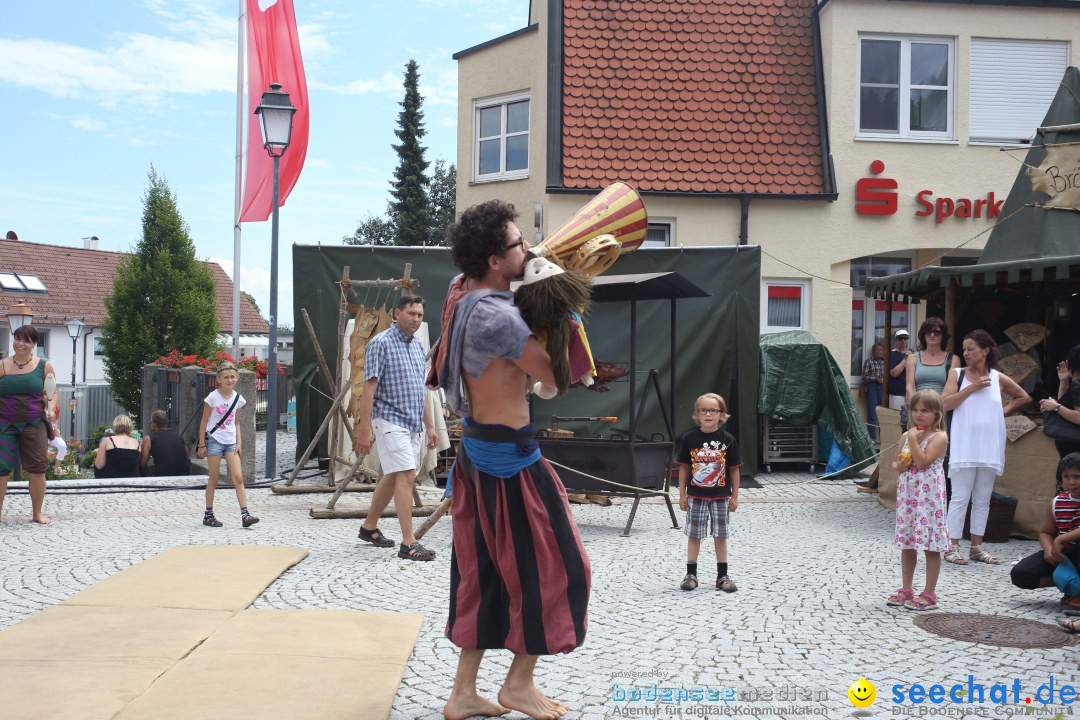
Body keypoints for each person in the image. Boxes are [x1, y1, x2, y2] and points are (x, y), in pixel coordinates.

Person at [439, 199, 590, 720]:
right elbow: (556, 374)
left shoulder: (462, 297)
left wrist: (537, 290)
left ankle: (462, 693)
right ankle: (518, 685)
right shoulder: (499, 315)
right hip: (510, 461)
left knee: (483, 575)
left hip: (477, 456)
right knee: (561, 569)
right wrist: (564, 302)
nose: (528, 249)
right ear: (494, 259)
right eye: (518, 243)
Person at [354, 295, 439, 561]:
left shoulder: (417, 347)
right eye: (411, 313)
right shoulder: (380, 343)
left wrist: (431, 426)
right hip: (389, 420)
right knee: (406, 474)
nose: (416, 319)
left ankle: (369, 528)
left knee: (392, 476)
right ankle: (409, 543)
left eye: (420, 315)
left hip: (412, 423)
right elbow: (368, 390)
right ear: (396, 313)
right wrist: (364, 430)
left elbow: (421, 389)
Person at [942, 329, 1031, 565]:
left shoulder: (997, 377)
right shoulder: (957, 374)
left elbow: (1023, 397)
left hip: (989, 444)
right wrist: (972, 387)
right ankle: (951, 547)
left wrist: (999, 414)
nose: (966, 353)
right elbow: (945, 403)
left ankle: (976, 548)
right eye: (964, 349)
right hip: (964, 444)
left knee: (982, 498)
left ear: (985, 350)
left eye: (971, 348)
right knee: (960, 496)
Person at [887, 390, 949, 611]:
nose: (918, 414)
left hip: (928, 498)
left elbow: (922, 462)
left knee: (931, 545)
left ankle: (929, 593)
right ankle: (906, 588)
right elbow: (896, 464)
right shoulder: (907, 435)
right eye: (915, 410)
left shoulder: (939, 437)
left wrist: (913, 439)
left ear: (936, 413)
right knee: (908, 542)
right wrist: (902, 460)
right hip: (910, 496)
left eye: (924, 410)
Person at [676, 392, 741, 593]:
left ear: (722, 415)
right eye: (703, 410)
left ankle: (722, 575)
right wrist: (682, 494)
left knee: (720, 535)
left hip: (721, 497)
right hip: (696, 496)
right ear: (697, 413)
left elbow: (734, 469)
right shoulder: (689, 438)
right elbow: (684, 468)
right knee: (694, 535)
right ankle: (691, 574)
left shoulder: (728, 440)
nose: (708, 414)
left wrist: (735, 495)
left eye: (713, 410)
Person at [1009, 452, 1080, 624]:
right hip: (1064, 554)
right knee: (1021, 574)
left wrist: (1059, 540)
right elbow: (1046, 532)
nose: (1071, 482)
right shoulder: (1056, 502)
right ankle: (1070, 586)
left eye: (1077, 477)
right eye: (1066, 477)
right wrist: (1049, 549)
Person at [0, 325, 57, 524]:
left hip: (34, 423)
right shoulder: (2, 366)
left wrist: (51, 409)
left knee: (37, 469)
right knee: (0, 468)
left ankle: (37, 513)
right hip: (4, 425)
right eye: (17, 338)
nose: (20, 343)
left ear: (34, 344)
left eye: (25, 340)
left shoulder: (44, 366)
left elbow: (52, 392)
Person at [196, 362, 257, 528]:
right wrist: (202, 444)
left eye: (232, 377)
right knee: (214, 478)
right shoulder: (212, 398)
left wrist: (239, 442)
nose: (230, 380)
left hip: (231, 442)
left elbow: (236, 423)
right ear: (219, 380)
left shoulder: (238, 399)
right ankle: (208, 514)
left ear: (237, 378)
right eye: (226, 377)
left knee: (238, 477)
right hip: (215, 440)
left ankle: (245, 514)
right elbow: (203, 420)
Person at [1040, 344, 1080, 494]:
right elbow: (1065, 404)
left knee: (1068, 496)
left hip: (1074, 452)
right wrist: (1063, 382)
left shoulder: (1078, 386)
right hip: (1071, 450)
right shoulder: (1075, 385)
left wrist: (1056, 407)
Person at [905, 317, 960, 400]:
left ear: (943, 336)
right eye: (928, 332)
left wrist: (935, 409)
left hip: (942, 407)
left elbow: (951, 390)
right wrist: (918, 407)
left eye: (937, 332)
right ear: (923, 335)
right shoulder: (912, 358)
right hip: (917, 407)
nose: (932, 335)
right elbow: (910, 388)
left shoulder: (954, 359)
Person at [140, 409, 191, 476]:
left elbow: (142, 464)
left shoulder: (148, 439)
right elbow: (187, 456)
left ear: (154, 425)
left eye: (150, 422)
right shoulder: (178, 436)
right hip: (184, 474)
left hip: (163, 475)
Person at [861, 342, 886, 444]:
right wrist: (875, 379)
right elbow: (864, 377)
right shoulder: (869, 361)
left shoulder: (885, 362)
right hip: (872, 387)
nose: (879, 352)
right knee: (872, 413)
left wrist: (883, 380)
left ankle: (883, 438)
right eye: (877, 350)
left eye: (881, 350)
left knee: (882, 413)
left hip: (883, 388)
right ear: (873, 351)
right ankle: (872, 438)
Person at [889, 329, 913, 430]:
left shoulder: (912, 355)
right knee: (897, 421)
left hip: (910, 393)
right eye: (900, 338)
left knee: (910, 420)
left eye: (905, 338)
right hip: (896, 393)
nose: (903, 341)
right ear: (896, 340)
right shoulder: (892, 354)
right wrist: (905, 359)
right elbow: (894, 373)